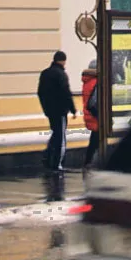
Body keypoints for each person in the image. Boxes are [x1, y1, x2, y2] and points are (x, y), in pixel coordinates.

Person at [36, 50, 76, 181]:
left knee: (56, 132)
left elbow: (40, 92)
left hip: (50, 111)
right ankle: (57, 164)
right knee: (61, 137)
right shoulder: (61, 74)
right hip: (60, 111)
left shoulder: (45, 74)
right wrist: (73, 109)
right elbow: (66, 92)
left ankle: (47, 156)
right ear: (63, 61)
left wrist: (46, 108)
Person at [81, 58, 100, 176]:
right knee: (96, 142)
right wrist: (100, 115)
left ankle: (88, 163)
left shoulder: (87, 81)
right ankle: (90, 163)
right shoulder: (97, 82)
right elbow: (93, 103)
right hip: (96, 116)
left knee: (94, 140)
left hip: (90, 116)